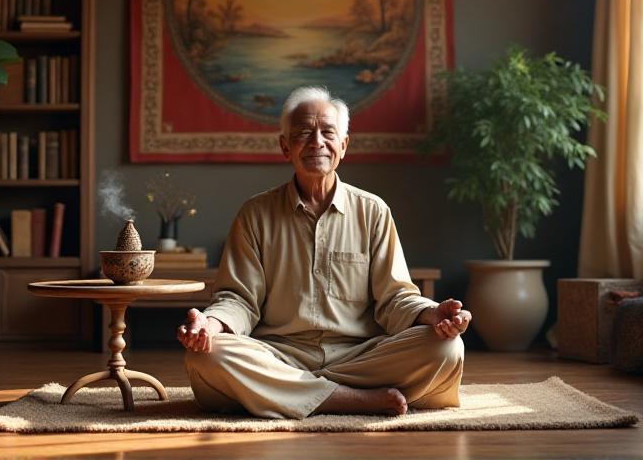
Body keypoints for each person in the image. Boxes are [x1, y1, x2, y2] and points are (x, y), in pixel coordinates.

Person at [178, 86, 471, 419]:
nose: (317, 141)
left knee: (446, 347)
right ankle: (348, 399)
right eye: (303, 133)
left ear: (343, 146)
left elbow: (395, 299)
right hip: (278, 355)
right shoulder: (254, 214)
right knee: (206, 355)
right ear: (285, 146)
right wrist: (210, 325)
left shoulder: (373, 212)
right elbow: (238, 300)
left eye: (328, 133)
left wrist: (435, 314)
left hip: (360, 359)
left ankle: (286, 392)